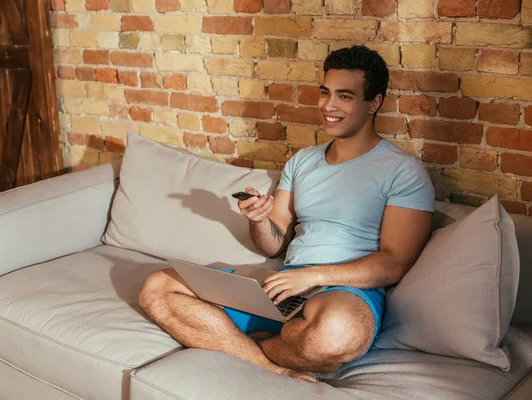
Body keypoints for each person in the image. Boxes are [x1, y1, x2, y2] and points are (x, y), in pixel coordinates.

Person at [138, 45, 435, 382]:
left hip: (343, 291)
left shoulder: (402, 171)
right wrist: (259, 219)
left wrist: (313, 276)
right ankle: (271, 365)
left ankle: (227, 341)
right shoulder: (302, 161)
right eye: (325, 93)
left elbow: (395, 261)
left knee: (335, 337)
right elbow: (273, 245)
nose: (329, 106)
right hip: (283, 285)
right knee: (157, 287)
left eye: (345, 96)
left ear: (374, 103)